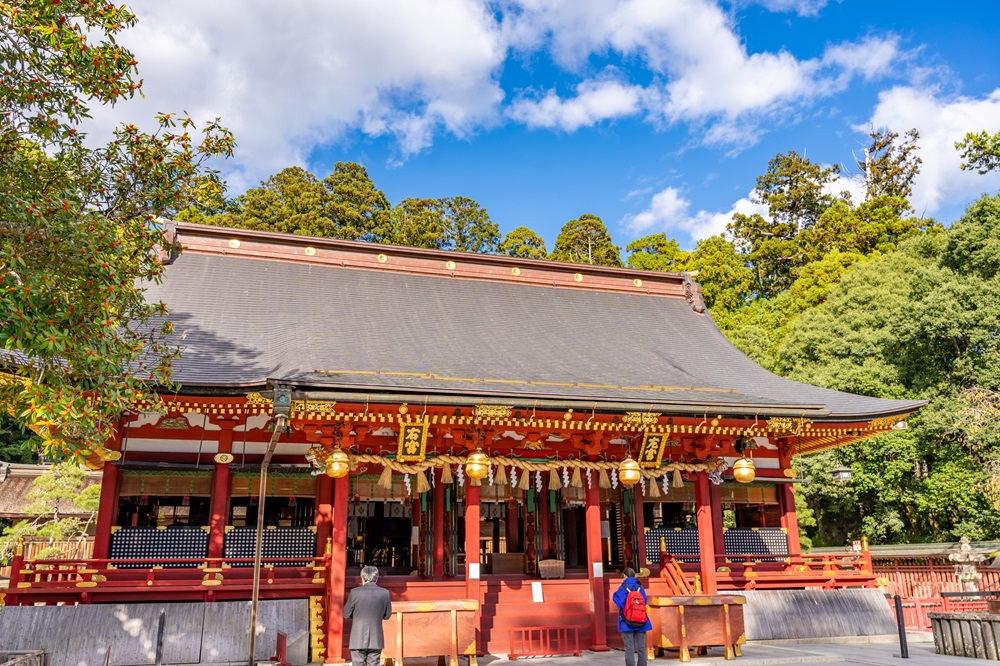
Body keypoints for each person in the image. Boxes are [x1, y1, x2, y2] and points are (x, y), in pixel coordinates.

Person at [344, 565, 393, 666]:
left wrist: (356, 615)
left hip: (357, 637)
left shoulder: (354, 592)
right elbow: (387, 615)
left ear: (362, 578)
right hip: (376, 637)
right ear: (377, 578)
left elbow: (346, 614)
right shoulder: (385, 593)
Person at [612, 567, 651, 666]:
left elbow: (620, 603)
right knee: (641, 647)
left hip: (627, 621)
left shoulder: (623, 587)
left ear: (624, 576)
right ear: (634, 575)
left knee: (629, 648)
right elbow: (644, 601)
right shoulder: (640, 587)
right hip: (641, 620)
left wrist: (614, 595)